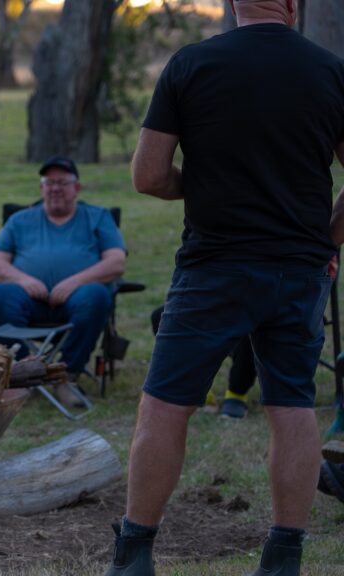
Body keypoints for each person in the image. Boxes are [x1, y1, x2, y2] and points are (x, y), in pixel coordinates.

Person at [107, 1, 344, 574]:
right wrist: (328, 242)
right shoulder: (330, 70)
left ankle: (136, 551)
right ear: (292, 4)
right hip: (297, 270)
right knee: (291, 407)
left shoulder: (191, 64)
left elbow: (148, 175)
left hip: (214, 268)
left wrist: (204, 183)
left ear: (235, 3)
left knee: (165, 405)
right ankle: (283, 555)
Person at [0, 156, 127, 406]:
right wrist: (24, 280)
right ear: (41, 188)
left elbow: (116, 262)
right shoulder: (19, 220)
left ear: (77, 188)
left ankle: (66, 375)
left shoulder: (97, 217)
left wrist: (74, 282)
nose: (55, 188)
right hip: (29, 300)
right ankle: (27, 371)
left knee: (96, 296)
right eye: (49, 182)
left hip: (79, 298)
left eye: (62, 182)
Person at [150, 305, 256, 418]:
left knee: (251, 322)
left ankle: (236, 394)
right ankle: (197, 389)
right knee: (162, 316)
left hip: (242, 302)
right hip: (204, 298)